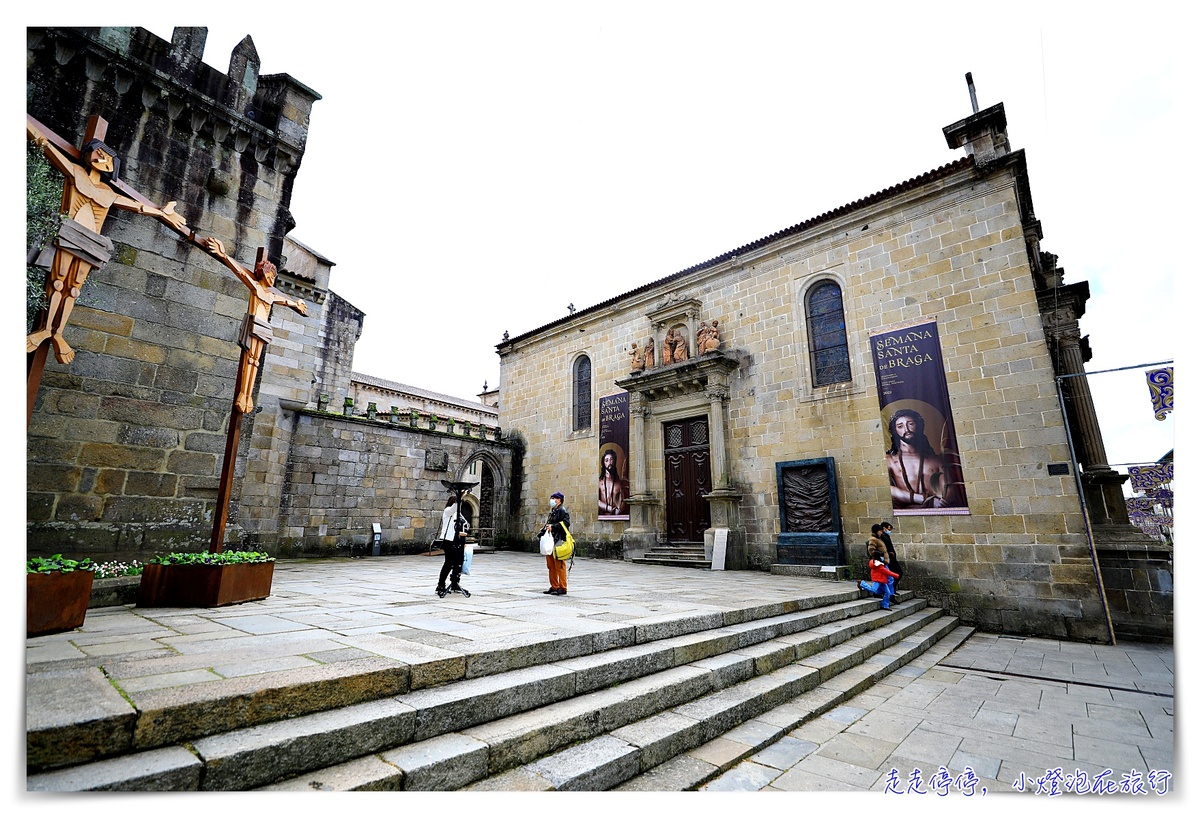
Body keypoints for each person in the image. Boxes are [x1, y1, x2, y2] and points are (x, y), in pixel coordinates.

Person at [26, 127, 189, 364]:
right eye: (98, 153)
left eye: (107, 157)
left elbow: (140, 207)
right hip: (70, 233)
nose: (101, 158)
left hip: (92, 243)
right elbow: (47, 146)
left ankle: (58, 333)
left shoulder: (108, 192)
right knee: (58, 281)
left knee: (74, 289)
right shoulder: (75, 173)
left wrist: (163, 213)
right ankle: (45, 329)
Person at [203, 238, 309, 414]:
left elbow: (286, 300)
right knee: (249, 359)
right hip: (254, 324)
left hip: (263, 328)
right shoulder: (256, 287)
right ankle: (243, 394)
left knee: (256, 361)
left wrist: (296, 304)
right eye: (270, 275)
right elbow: (239, 271)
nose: (272, 279)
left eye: (274, 277)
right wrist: (223, 254)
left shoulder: (271, 295)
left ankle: (248, 395)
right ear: (263, 274)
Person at [884, 408, 964, 509]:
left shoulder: (935, 460)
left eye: (911, 424)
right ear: (895, 431)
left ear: (918, 426)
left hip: (936, 510)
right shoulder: (889, 460)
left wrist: (942, 503)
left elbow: (949, 490)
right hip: (906, 511)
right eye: (900, 426)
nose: (906, 430)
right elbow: (885, 488)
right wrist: (923, 499)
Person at [434, 494, 471, 598]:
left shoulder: (457, 514)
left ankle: (455, 583)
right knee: (448, 563)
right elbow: (455, 508)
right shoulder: (448, 511)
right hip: (448, 541)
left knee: (458, 562)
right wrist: (460, 497)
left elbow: (466, 524)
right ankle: (440, 585)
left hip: (457, 541)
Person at [541, 491, 570, 595]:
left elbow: (566, 523)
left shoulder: (562, 510)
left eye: (554, 498)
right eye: (552, 498)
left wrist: (553, 527)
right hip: (551, 540)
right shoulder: (553, 510)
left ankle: (563, 587)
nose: (552, 500)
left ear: (559, 500)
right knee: (551, 565)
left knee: (560, 565)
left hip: (558, 541)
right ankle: (554, 586)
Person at [862, 542, 899, 609]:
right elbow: (887, 572)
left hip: (882, 580)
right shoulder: (879, 566)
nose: (882, 557)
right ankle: (862, 583)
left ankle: (885, 605)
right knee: (874, 590)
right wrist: (896, 575)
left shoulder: (877, 563)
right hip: (878, 580)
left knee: (887, 593)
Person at [598, 450, 626, 516]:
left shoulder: (619, 483)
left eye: (611, 459)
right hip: (603, 515)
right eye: (606, 460)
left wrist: (618, 510)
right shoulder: (599, 482)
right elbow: (595, 501)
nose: (609, 462)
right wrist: (609, 508)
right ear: (603, 463)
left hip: (616, 516)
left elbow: (623, 501)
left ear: (614, 462)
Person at [879, 520, 901, 586]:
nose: (889, 531)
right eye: (889, 529)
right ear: (884, 528)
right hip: (889, 559)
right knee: (896, 574)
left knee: (896, 574)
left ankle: (892, 590)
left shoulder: (885, 536)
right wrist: (888, 553)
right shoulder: (882, 537)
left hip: (891, 558)